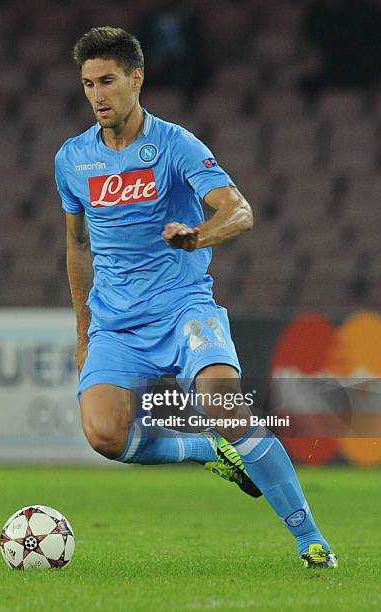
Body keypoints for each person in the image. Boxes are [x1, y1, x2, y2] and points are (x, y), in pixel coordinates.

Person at [54, 26, 337, 569]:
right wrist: (84, 332)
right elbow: (75, 246)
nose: (97, 96)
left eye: (107, 81)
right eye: (88, 84)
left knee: (225, 406)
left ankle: (311, 540)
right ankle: (207, 450)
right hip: (116, 324)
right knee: (105, 435)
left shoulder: (176, 145)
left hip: (183, 307)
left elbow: (239, 211)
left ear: (137, 79)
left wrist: (197, 236)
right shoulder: (72, 159)